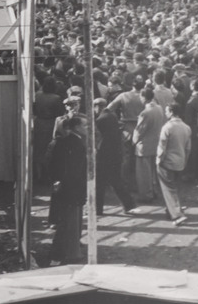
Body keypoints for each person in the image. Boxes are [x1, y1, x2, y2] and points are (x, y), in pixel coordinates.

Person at [43, 114, 87, 264]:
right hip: (72, 189)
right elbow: (74, 170)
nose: (87, 128)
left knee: (70, 222)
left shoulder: (67, 142)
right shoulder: (76, 143)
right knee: (68, 223)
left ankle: (70, 252)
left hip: (68, 188)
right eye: (84, 125)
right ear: (76, 127)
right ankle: (57, 256)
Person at [94, 98, 137, 216]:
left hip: (104, 155)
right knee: (116, 181)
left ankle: (97, 209)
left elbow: (100, 138)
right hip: (115, 154)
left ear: (97, 107)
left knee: (99, 183)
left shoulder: (100, 119)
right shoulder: (112, 116)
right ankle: (129, 204)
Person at [156, 104, 191, 225]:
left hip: (167, 162)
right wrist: (184, 161)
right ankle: (171, 210)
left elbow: (162, 146)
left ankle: (177, 214)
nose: (165, 113)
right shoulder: (186, 127)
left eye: (166, 111)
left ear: (171, 112)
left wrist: (159, 160)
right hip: (180, 161)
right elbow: (188, 147)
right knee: (175, 186)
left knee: (168, 188)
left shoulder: (167, 127)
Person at [132, 86, 166, 202]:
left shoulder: (145, 113)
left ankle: (146, 195)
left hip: (144, 146)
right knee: (153, 171)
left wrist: (134, 141)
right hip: (155, 143)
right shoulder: (159, 108)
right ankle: (154, 191)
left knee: (144, 173)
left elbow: (139, 131)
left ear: (144, 97)